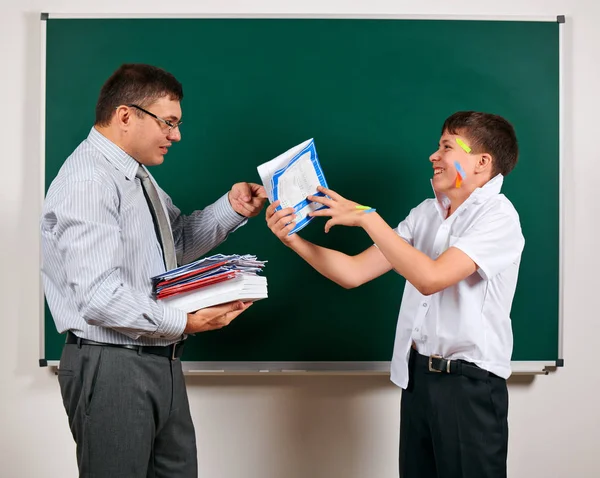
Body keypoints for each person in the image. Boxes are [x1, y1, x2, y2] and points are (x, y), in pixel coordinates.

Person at [266, 111, 525, 478]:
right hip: (419, 380)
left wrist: (369, 219)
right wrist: (291, 239)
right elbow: (353, 272)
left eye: (447, 147)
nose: (433, 156)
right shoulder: (426, 214)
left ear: (482, 163)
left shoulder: (498, 217)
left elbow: (431, 278)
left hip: (468, 387)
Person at [41, 63, 267, 478]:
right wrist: (185, 321)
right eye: (168, 122)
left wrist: (231, 209)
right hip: (112, 364)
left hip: (159, 358)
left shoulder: (133, 175)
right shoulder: (90, 180)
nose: (176, 135)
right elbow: (98, 296)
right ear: (126, 115)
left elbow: (173, 245)